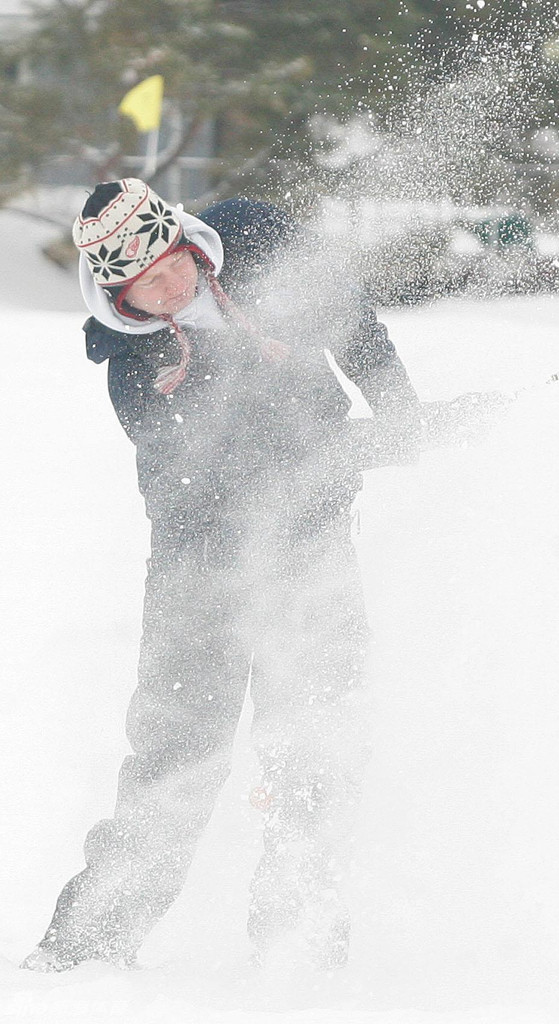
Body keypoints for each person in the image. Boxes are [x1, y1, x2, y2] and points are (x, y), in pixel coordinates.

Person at [20, 178, 430, 973]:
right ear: (119, 291)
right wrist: (356, 448)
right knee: (176, 752)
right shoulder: (135, 369)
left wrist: (402, 416)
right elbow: (221, 476)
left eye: (174, 266)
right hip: (197, 563)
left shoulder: (256, 237)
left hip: (312, 548)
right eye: (148, 286)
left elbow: (349, 318)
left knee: (318, 733)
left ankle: (299, 934)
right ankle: (90, 942)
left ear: (183, 240)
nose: (171, 287)